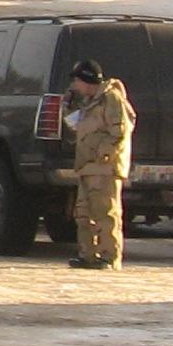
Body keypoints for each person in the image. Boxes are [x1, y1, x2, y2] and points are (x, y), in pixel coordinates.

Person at [65, 60, 133, 271]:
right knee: (84, 213)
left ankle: (109, 256)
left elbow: (120, 132)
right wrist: (67, 109)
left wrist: (103, 152)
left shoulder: (111, 99)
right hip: (86, 167)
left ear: (87, 80)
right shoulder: (89, 102)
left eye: (77, 80)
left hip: (104, 168)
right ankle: (88, 255)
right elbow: (77, 128)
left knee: (105, 213)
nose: (74, 85)